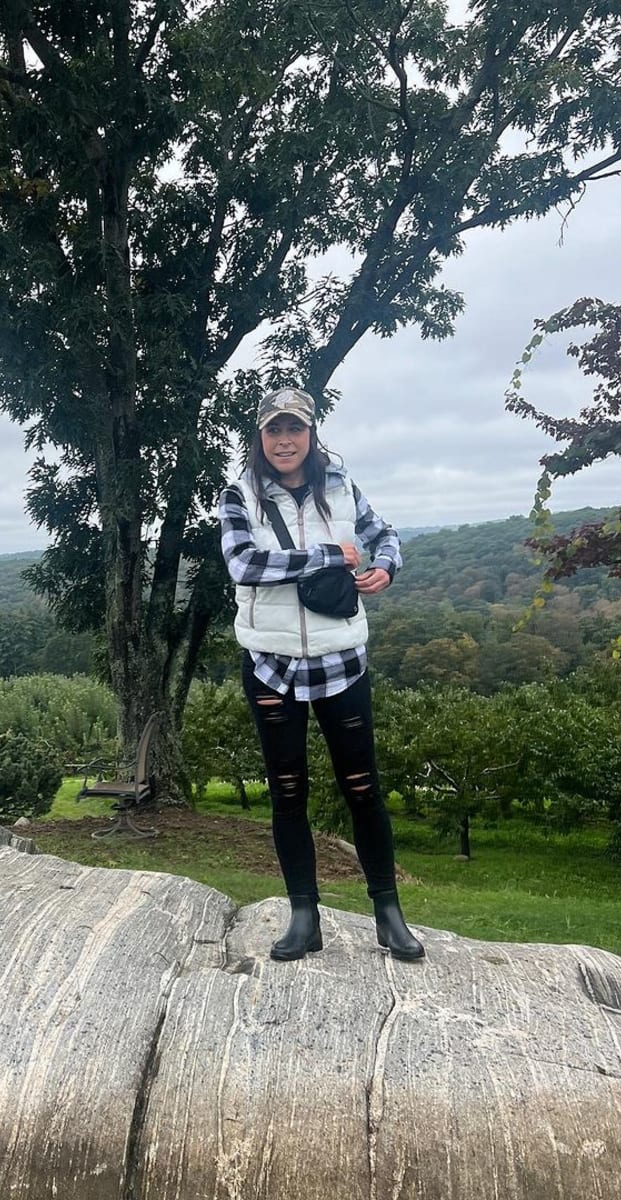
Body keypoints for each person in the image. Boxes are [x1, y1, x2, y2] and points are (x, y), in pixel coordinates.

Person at [218, 387, 424, 963]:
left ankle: (388, 912)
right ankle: (303, 915)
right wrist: (332, 556)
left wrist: (385, 567)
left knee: (363, 788)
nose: (285, 440)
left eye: (295, 429)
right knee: (288, 793)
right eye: (273, 431)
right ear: (260, 439)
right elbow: (244, 564)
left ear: (311, 434)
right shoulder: (239, 497)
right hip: (271, 664)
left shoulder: (341, 487)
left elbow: (385, 535)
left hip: (341, 660)